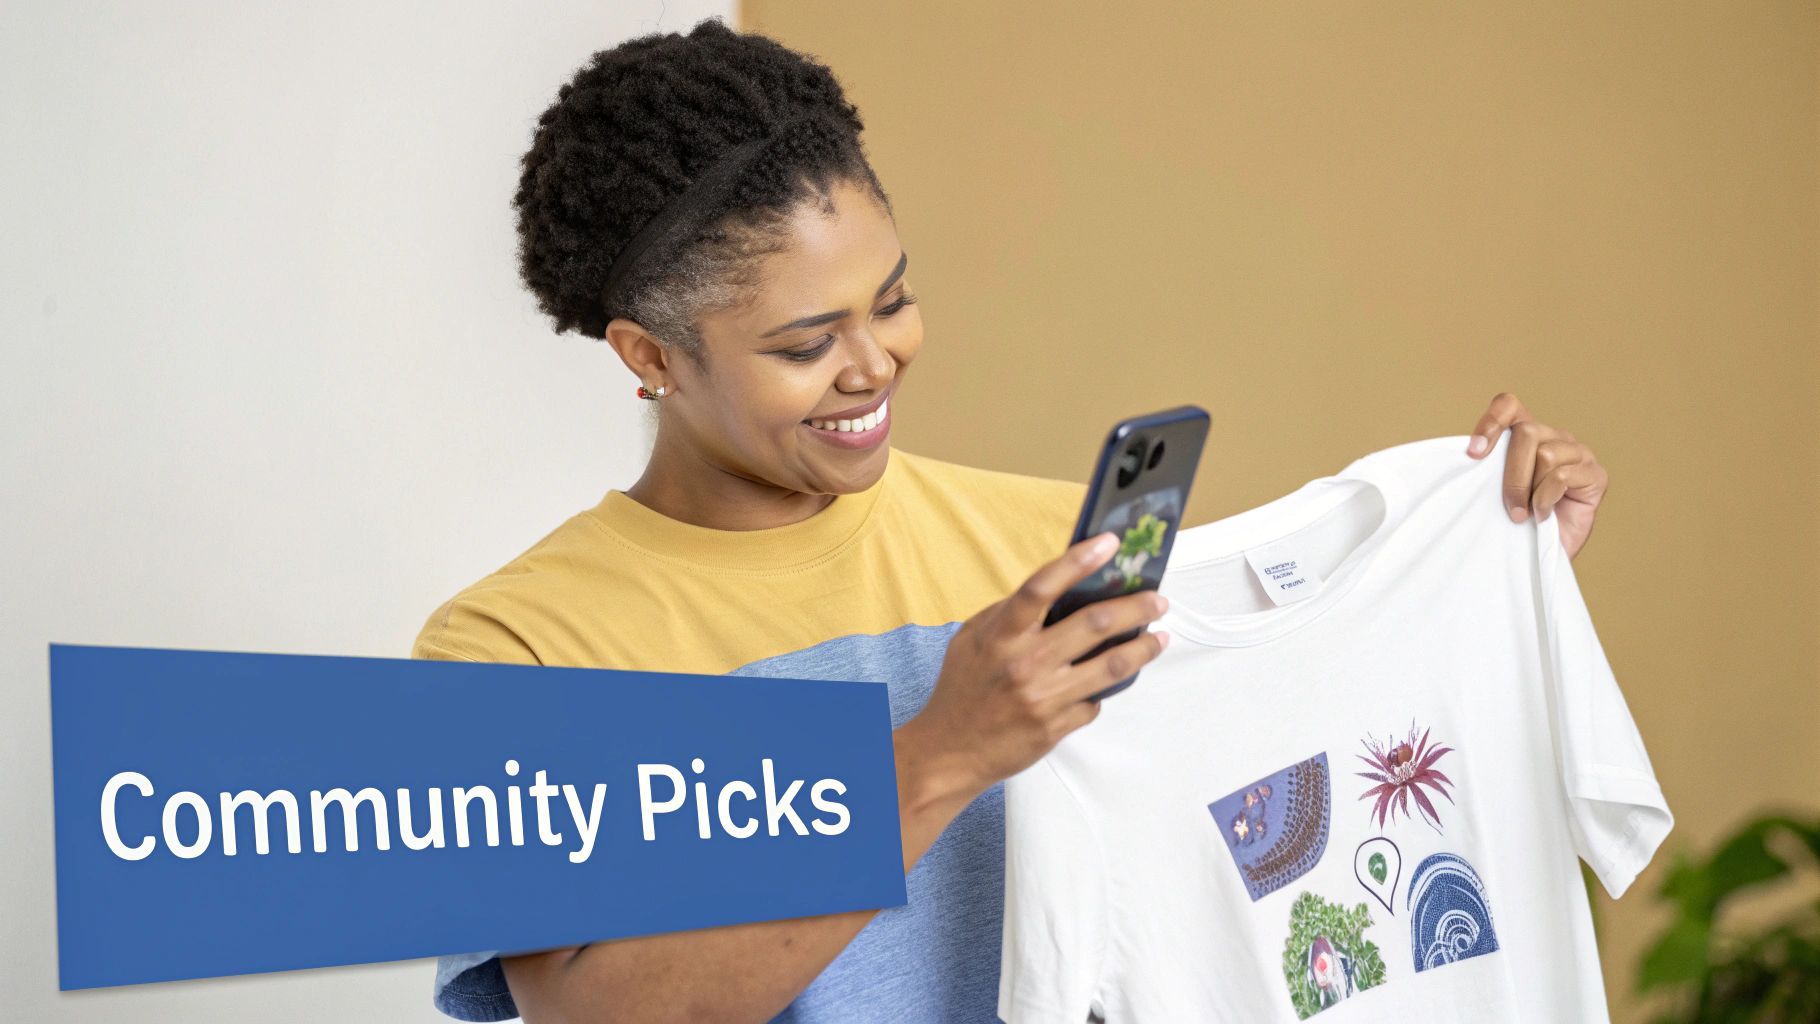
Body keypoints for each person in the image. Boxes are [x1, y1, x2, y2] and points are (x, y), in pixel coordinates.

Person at [414, 17, 1611, 1024]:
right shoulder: (515, 648)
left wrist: (1479, 584)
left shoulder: (1054, 547)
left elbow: (1274, 827)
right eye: (803, 343)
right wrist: (941, 753)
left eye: (891, 301)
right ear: (648, 355)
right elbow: (588, 1008)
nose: (872, 364)